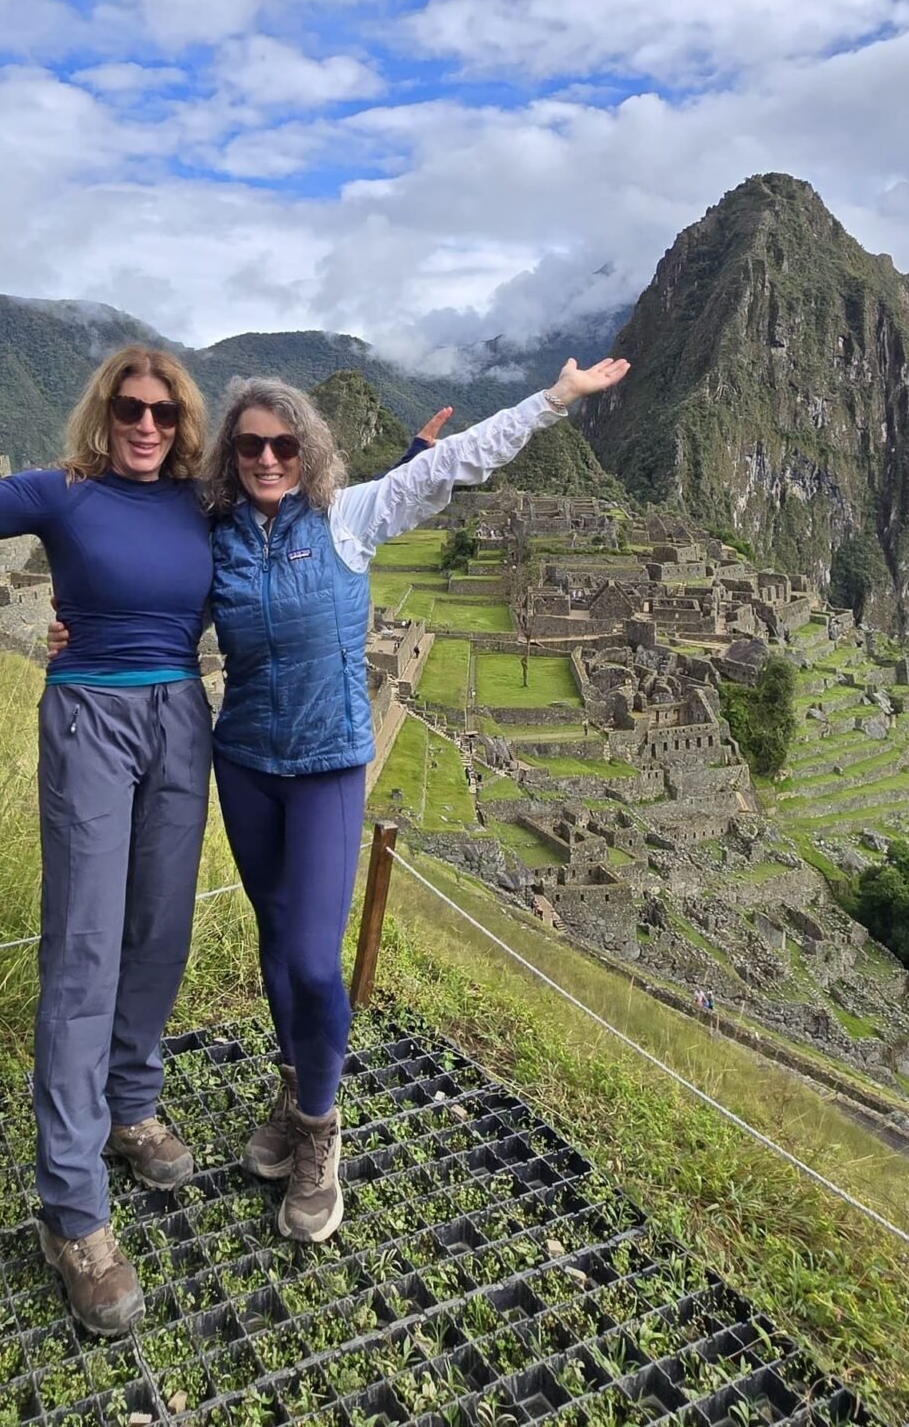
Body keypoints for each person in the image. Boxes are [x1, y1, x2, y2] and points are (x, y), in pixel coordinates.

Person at [53, 356, 628, 1245]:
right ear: (231, 456)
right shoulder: (220, 537)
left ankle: (320, 1128)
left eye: (284, 443)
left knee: (318, 962)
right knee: (277, 948)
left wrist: (554, 401)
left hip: (325, 767)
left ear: (308, 449)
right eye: (251, 445)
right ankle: (293, 1094)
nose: (268, 458)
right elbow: (154, 600)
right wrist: (76, 627)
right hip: (245, 764)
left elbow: (454, 463)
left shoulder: (349, 518)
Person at [0, 347, 213, 1337]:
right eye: (129, 407)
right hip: (91, 722)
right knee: (82, 948)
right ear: (104, 413)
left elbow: (312, 500)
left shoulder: (205, 503)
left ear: (183, 422)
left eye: (162, 411)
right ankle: (74, 1213)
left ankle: (132, 1104)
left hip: (181, 719)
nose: (145, 424)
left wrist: (418, 455)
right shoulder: (64, 495)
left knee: (158, 932)